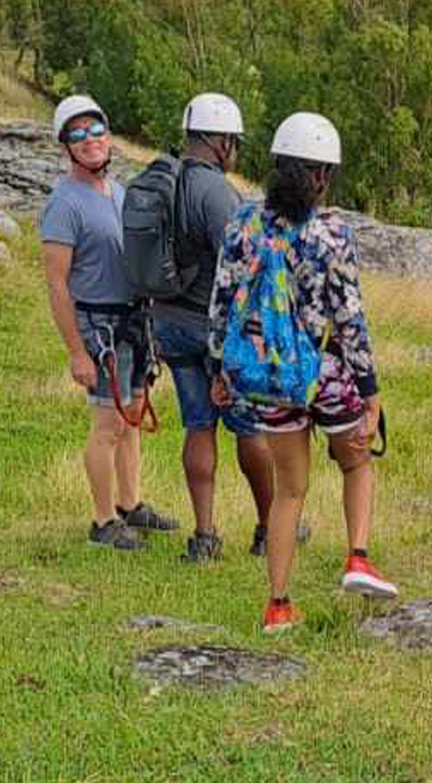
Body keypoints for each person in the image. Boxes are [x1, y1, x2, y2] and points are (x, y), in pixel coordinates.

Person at [208, 111, 395, 634]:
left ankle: (278, 605)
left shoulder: (242, 223)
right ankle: (357, 556)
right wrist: (370, 391)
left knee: (290, 491)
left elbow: (221, 305)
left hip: (269, 379)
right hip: (326, 371)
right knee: (356, 463)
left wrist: (219, 369)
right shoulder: (333, 233)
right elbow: (350, 317)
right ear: (322, 175)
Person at [148, 93, 285, 565]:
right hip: (215, 329)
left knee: (198, 424)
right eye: (235, 142)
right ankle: (270, 528)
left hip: (168, 322)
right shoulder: (217, 193)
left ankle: (204, 536)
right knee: (250, 427)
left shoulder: (161, 177)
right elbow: (244, 268)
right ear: (222, 141)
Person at [39, 95, 177, 550]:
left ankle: (130, 505)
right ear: (66, 146)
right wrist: (77, 351)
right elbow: (58, 285)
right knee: (106, 425)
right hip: (99, 325)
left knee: (131, 417)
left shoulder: (118, 193)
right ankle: (102, 522)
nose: (90, 140)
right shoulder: (64, 204)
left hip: (135, 320)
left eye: (95, 130)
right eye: (78, 134)